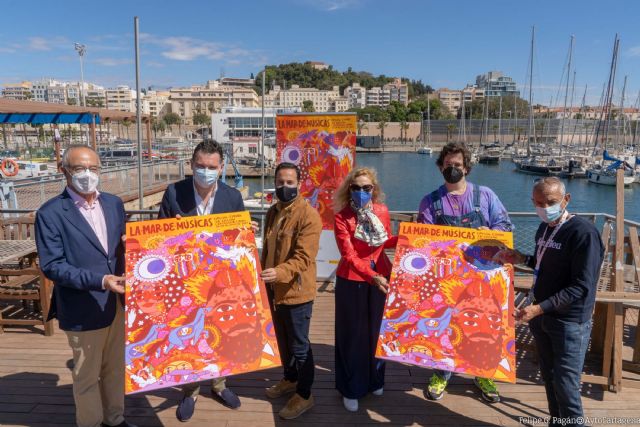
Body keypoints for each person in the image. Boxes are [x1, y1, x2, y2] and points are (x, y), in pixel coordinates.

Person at [35, 145, 136, 427]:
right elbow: (53, 266)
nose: (87, 174)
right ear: (64, 171)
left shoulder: (114, 203)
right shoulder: (50, 213)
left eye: (93, 168)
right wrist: (101, 281)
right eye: (80, 168)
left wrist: (133, 244)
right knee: (87, 376)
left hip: (117, 304)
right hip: (82, 308)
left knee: (115, 369)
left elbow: (119, 247)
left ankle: (115, 419)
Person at [494, 177, 604, 427]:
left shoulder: (584, 233)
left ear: (566, 200)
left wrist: (538, 308)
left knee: (566, 386)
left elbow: (582, 286)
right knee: (550, 378)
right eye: (538, 203)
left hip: (568, 322)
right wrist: (522, 258)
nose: (544, 208)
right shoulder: (544, 228)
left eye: (551, 202)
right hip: (541, 317)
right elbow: (544, 263)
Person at [417, 141, 512, 403]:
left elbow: (505, 226)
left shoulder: (486, 196)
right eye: (448, 164)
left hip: (484, 275)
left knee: (485, 326)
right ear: (440, 167)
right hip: (447, 276)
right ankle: (441, 373)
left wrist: (491, 233)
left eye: (457, 164)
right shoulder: (429, 202)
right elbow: (422, 240)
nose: (453, 168)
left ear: (467, 167)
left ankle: (484, 374)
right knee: (444, 325)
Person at [158, 140, 245, 421]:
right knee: (190, 335)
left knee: (220, 334)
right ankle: (191, 390)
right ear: (191, 165)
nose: (205, 171)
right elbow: (157, 237)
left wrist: (246, 231)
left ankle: (219, 384)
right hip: (186, 279)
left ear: (221, 168)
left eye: (211, 166)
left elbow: (239, 241)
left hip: (221, 281)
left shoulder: (232, 197)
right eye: (200, 166)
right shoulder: (174, 193)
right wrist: (173, 233)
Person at [260, 162, 323, 420]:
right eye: (280, 182)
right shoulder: (273, 211)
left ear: (299, 184)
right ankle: (290, 378)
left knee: (299, 346)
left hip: (296, 292)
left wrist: (279, 273)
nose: (284, 187)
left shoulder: (309, 215)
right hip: (274, 291)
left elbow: (303, 258)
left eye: (289, 182)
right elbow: (268, 248)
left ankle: (305, 394)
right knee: (282, 341)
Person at [333, 167, 398, 412]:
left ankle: (375, 380)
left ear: (374, 189)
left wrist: (409, 237)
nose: (361, 191)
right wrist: (373, 277)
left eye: (366, 187)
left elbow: (385, 240)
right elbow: (349, 255)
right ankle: (350, 388)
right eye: (356, 187)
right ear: (349, 189)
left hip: (382, 275)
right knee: (352, 335)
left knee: (377, 332)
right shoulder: (342, 217)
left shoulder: (382, 211)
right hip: (353, 279)